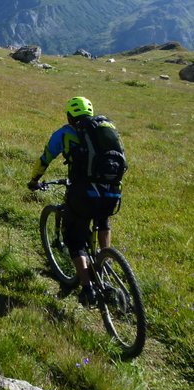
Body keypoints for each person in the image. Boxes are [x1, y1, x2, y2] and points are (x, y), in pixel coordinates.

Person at [28, 96, 124, 307]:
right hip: (111, 191)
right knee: (103, 220)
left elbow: (45, 158)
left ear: (70, 116)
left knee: (75, 239)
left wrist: (34, 180)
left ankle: (87, 288)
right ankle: (104, 263)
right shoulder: (105, 128)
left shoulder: (65, 133)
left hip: (83, 194)